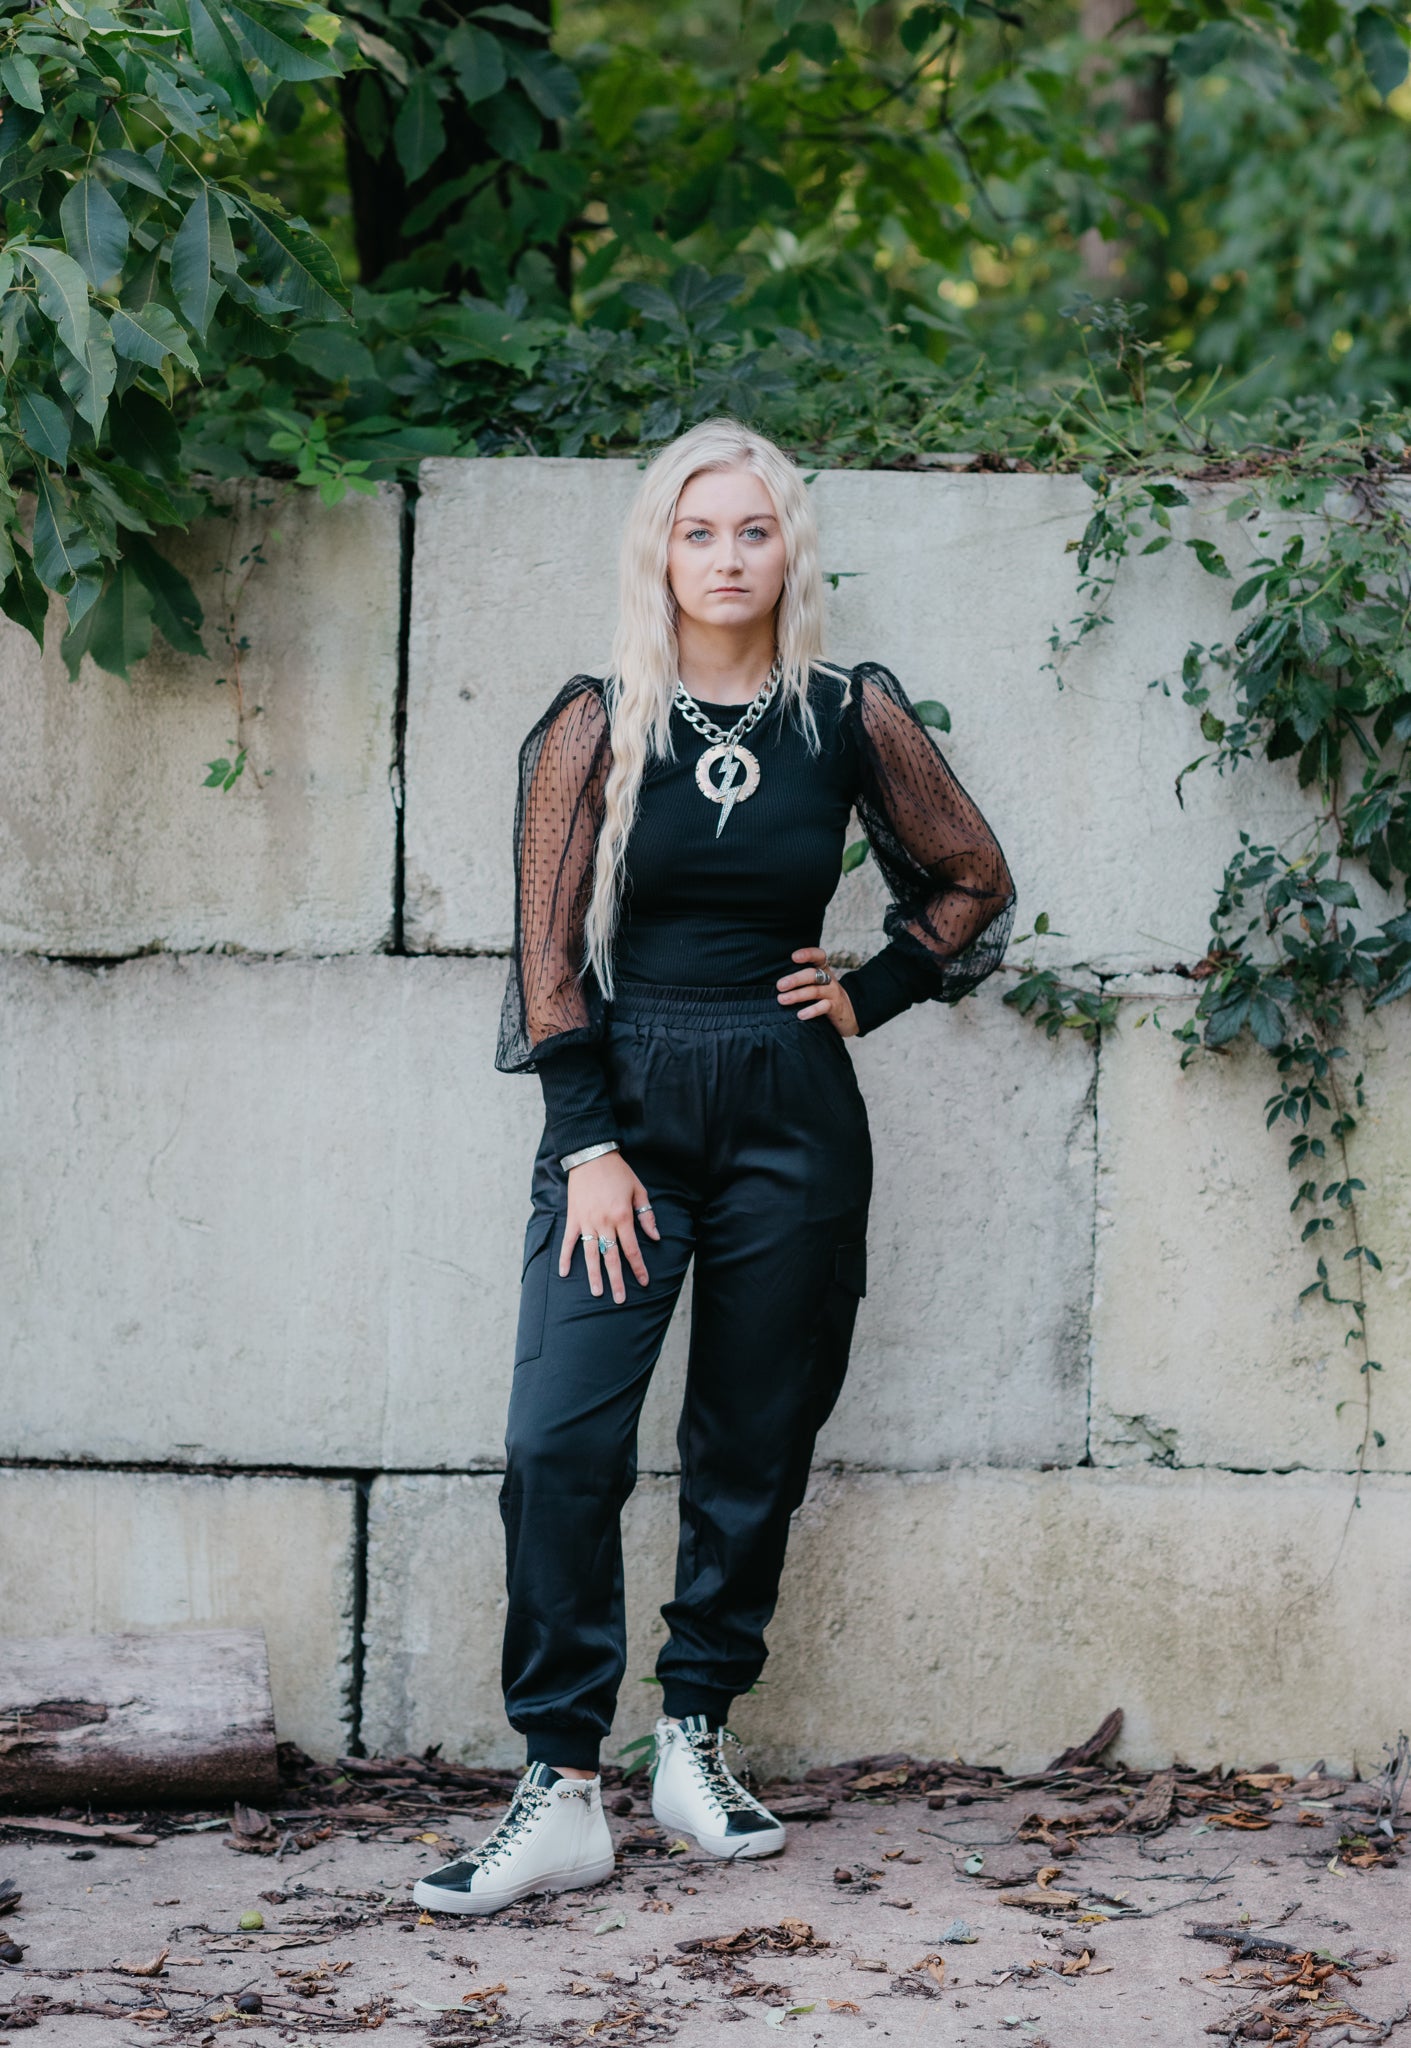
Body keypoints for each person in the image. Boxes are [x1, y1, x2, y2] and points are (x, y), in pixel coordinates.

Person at [413, 418, 1015, 1916]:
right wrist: (586, 1144)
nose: (728, 557)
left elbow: (973, 876)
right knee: (560, 1443)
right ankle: (561, 1783)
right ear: (660, 552)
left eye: (754, 530)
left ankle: (694, 1738)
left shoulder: (847, 714)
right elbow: (546, 951)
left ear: (788, 547)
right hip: (625, 1115)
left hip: (791, 1116)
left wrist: (872, 992)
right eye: (700, 531)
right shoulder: (596, 720)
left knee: (755, 1436)